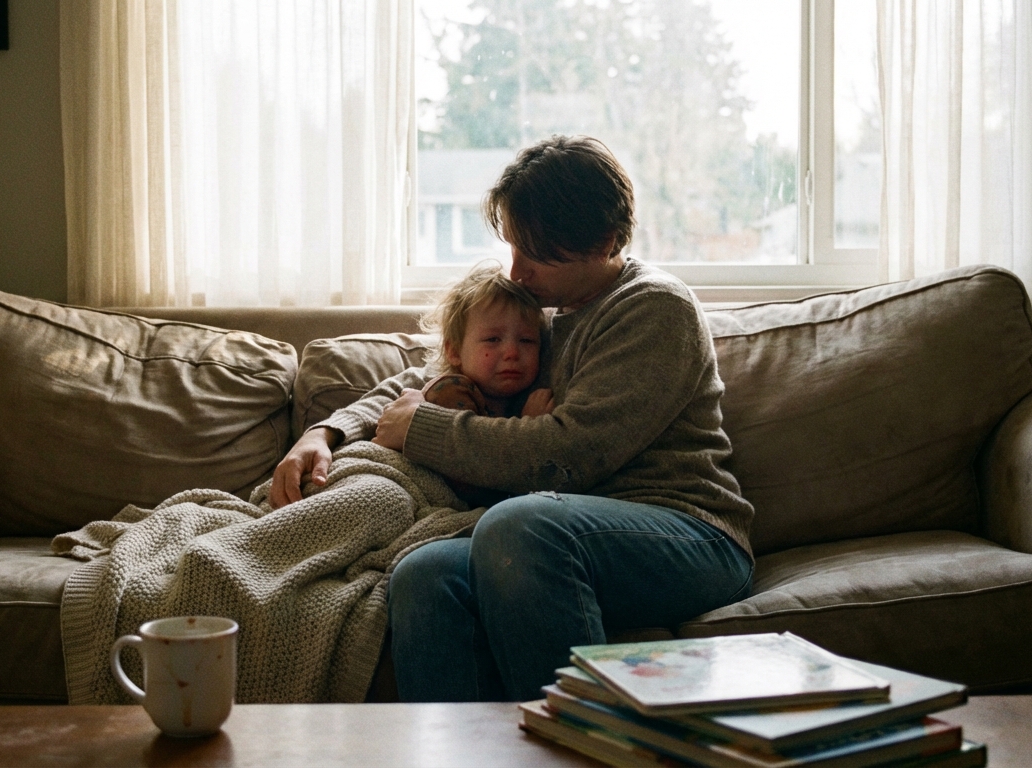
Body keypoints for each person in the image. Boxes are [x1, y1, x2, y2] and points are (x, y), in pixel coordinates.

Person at [270, 135, 755, 703]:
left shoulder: (653, 307)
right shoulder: (550, 315)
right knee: (424, 573)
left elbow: (570, 454)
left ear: (601, 241)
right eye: (513, 249)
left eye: (534, 253)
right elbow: (419, 382)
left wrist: (424, 430)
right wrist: (325, 433)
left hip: (686, 532)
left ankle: (577, 750)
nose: (517, 271)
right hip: (560, 531)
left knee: (517, 524)